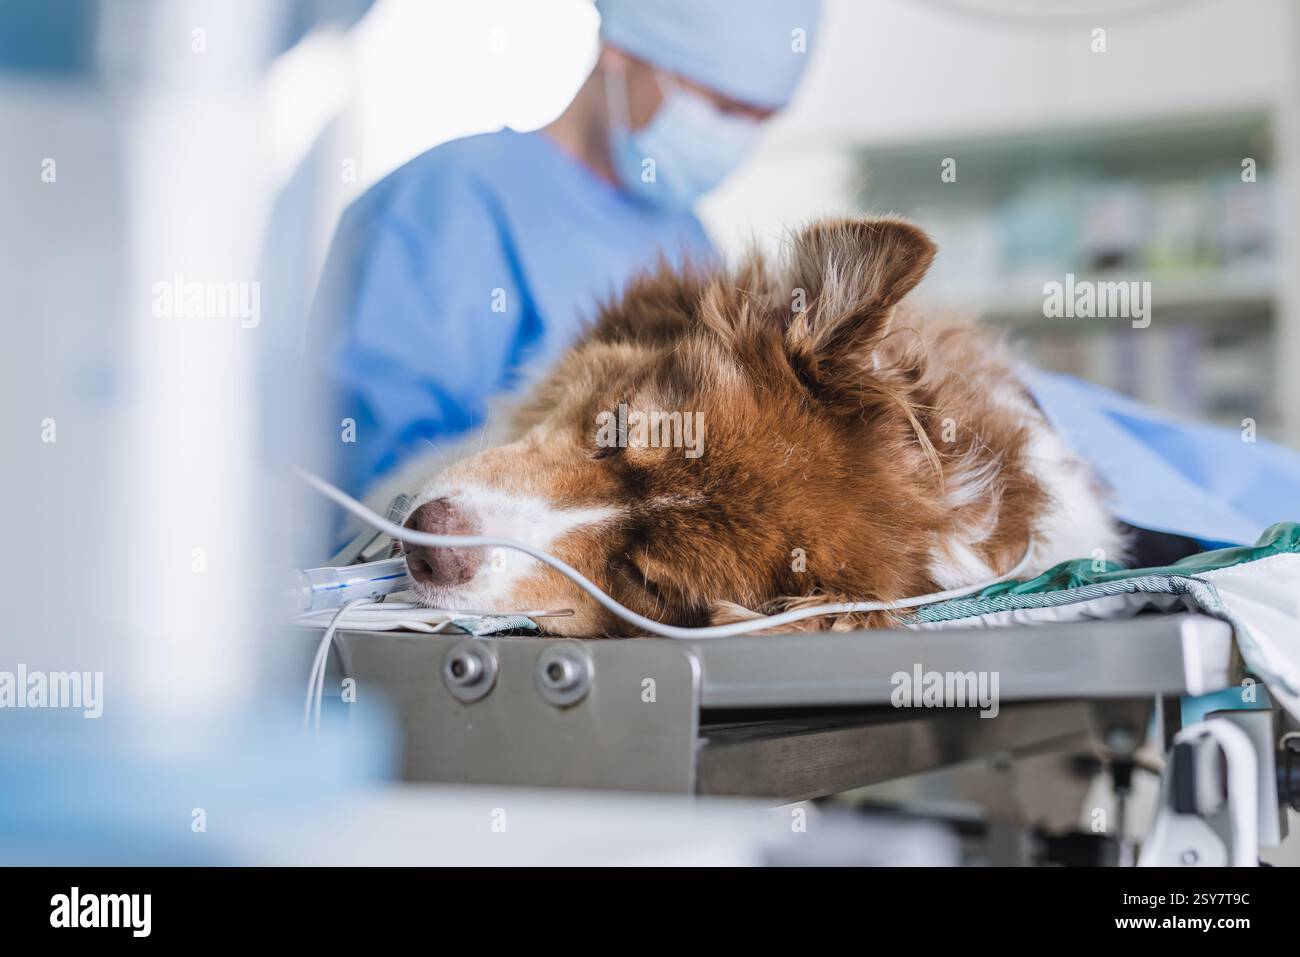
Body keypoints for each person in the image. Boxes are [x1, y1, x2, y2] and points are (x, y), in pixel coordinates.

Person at [309, 0, 823, 497]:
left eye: (763, 117)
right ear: (620, 48)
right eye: (724, 106)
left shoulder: (692, 240)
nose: (738, 137)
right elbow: (366, 493)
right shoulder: (446, 199)